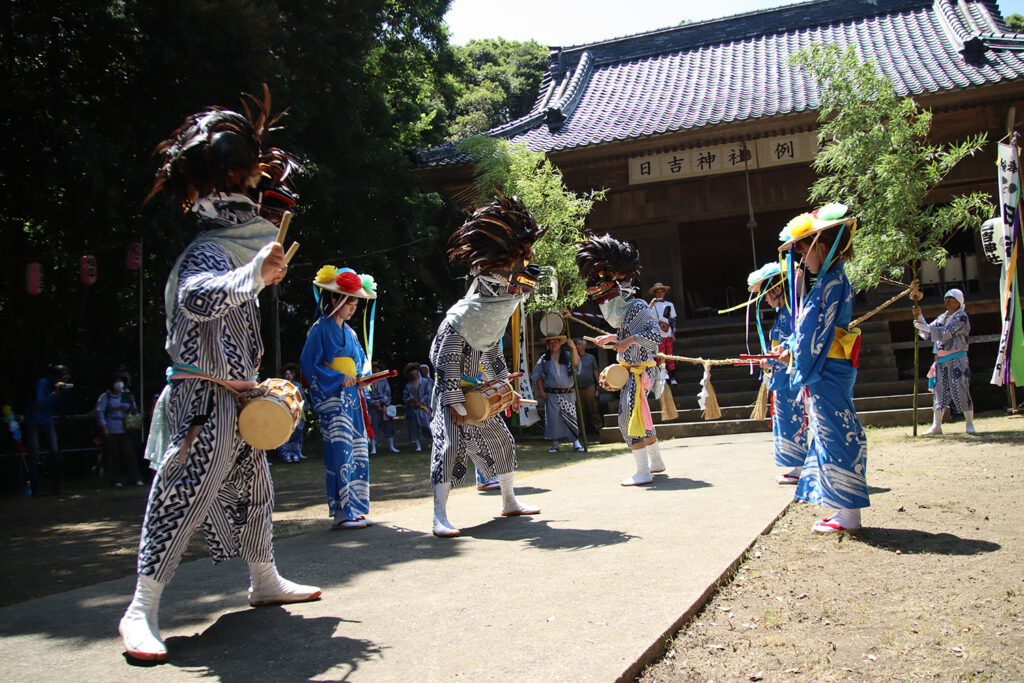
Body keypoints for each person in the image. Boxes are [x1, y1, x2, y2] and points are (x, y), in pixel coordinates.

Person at [120, 94, 320, 663]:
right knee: (181, 496)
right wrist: (252, 274)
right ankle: (141, 607)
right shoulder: (207, 253)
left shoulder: (235, 254)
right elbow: (197, 301)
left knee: (256, 491)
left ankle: (263, 578)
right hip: (200, 401)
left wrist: (255, 274)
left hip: (239, 398)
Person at [428, 194, 543, 538]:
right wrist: (455, 402)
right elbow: (445, 361)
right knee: (447, 447)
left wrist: (506, 391)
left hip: (479, 393)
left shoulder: (488, 319)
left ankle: (509, 499)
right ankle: (439, 514)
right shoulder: (460, 317)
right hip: (453, 396)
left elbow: (492, 356)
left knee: (503, 441)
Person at [776, 203, 868, 533]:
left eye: (804, 252)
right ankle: (842, 509)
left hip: (827, 368)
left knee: (836, 432)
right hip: (828, 366)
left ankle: (848, 513)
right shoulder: (830, 281)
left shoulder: (830, 283)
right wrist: (789, 349)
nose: (802, 261)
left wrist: (792, 354)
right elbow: (808, 330)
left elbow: (814, 332)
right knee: (831, 430)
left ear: (822, 247)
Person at [576, 235, 666, 485]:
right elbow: (631, 336)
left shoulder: (638, 307)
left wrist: (627, 341)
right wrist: (613, 337)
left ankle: (642, 472)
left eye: (607, 298)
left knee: (628, 418)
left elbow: (655, 336)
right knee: (641, 418)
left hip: (639, 372)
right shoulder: (631, 311)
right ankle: (656, 462)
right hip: (635, 373)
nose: (606, 305)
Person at [301, 265, 377, 529]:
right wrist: (336, 378)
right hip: (334, 398)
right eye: (348, 301)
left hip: (353, 397)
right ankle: (342, 513)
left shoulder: (352, 333)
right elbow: (309, 365)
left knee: (357, 451)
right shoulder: (320, 329)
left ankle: (355, 508)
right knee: (340, 451)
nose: (353, 307)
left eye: (356, 302)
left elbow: (361, 363)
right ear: (334, 299)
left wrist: (364, 376)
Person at [749, 263, 808, 485]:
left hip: (790, 374)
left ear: (778, 290)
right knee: (786, 419)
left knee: (795, 418)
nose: (765, 299)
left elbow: (792, 342)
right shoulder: (783, 313)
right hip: (781, 373)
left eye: (767, 293)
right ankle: (797, 464)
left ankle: (801, 465)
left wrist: (775, 355)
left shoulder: (793, 313)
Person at [914, 288, 975, 435]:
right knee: (940, 392)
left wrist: (921, 326)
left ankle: (969, 423)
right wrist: (920, 316)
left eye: (951, 298)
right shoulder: (942, 316)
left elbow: (945, 334)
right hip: (941, 360)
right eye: (946, 298)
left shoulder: (961, 317)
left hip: (957, 359)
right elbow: (929, 332)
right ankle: (937, 426)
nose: (948, 300)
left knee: (960, 387)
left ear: (958, 302)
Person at [23, 363, 72, 496]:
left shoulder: (62, 388)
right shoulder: (42, 384)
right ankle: (35, 488)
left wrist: (64, 395)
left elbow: (60, 406)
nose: (63, 381)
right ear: (53, 377)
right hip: (33, 420)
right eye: (61, 378)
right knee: (34, 453)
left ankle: (57, 486)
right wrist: (54, 392)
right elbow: (40, 403)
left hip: (47, 420)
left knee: (55, 451)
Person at [531, 336, 584, 453]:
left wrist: (574, 348)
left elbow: (576, 364)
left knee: (571, 417)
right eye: (550, 342)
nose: (553, 344)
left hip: (568, 393)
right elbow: (537, 376)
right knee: (552, 419)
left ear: (560, 343)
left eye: (556, 342)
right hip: (551, 394)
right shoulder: (544, 359)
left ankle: (576, 442)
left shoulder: (568, 355)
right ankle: (555, 444)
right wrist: (541, 391)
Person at [95, 371, 144, 486]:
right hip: (112, 427)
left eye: (121, 381)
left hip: (125, 427)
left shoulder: (125, 394)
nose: (119, 383)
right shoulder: (106, 396)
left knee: (129, 454)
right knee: (113, 454)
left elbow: (133, 411)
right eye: (116, 381)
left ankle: (134, 477)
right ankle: (115, 478)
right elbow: (100, 412)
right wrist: (104, 428)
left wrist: (132, 402)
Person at [276, 364, 307, 463]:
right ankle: (285, 454)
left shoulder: (297, 385)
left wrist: (304, 407)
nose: (289, 376)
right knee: (286, 433)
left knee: (297, 432)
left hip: (297, 410)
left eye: (290, 374)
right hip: (286, 411)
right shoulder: (282, 385)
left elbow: (302, 397)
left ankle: (296, 452)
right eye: (286, 374)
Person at [574, 338, 602, 441]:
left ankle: (599, 429)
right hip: (577, 388)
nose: (577, 346)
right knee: (580, 411)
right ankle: (581, 432)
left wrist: (599, 384)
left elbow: (595, 371)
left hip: (589, 386)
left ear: (584, 346)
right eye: (576, 344)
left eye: (579, 344)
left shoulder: (591, 358)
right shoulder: (573, 358)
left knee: (593, 408)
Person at [648, 283, 677, 383]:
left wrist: (673, 332)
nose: (660, 293)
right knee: (659, 357)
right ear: (654, 293)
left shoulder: (669, 305)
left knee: (669, 355)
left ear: (665, 292)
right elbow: (647, 317)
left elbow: (673, 319)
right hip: (656, 334)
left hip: (667, 333)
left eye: (662, 291)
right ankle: (662, 377)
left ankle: (672, 377)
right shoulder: (652, 305)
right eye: (657, 291)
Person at [367, 363, 398, 455]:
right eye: (374, 369)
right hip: (373, 408)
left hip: (384, 407)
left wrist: (381, 402)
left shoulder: (384, 381)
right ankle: (373, 448)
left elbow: (388, 394)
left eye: (377, 369)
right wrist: (374, 403)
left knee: (388, 426)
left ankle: (391, 446)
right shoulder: (368, 382)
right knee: (374, 426)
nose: (376, 371)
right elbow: (366, 395)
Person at [403, 362, 432, 452]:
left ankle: (433, 441)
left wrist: (422, 402)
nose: (412, 372)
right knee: (414, 426)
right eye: (410, 371)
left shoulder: (426, 382)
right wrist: (411, 400)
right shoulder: (408, 386)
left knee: (428, 425)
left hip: (424, 407)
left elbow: (429, 393)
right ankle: (418, 445)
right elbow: (405, 397)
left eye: (414, 370)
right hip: (413, 408)